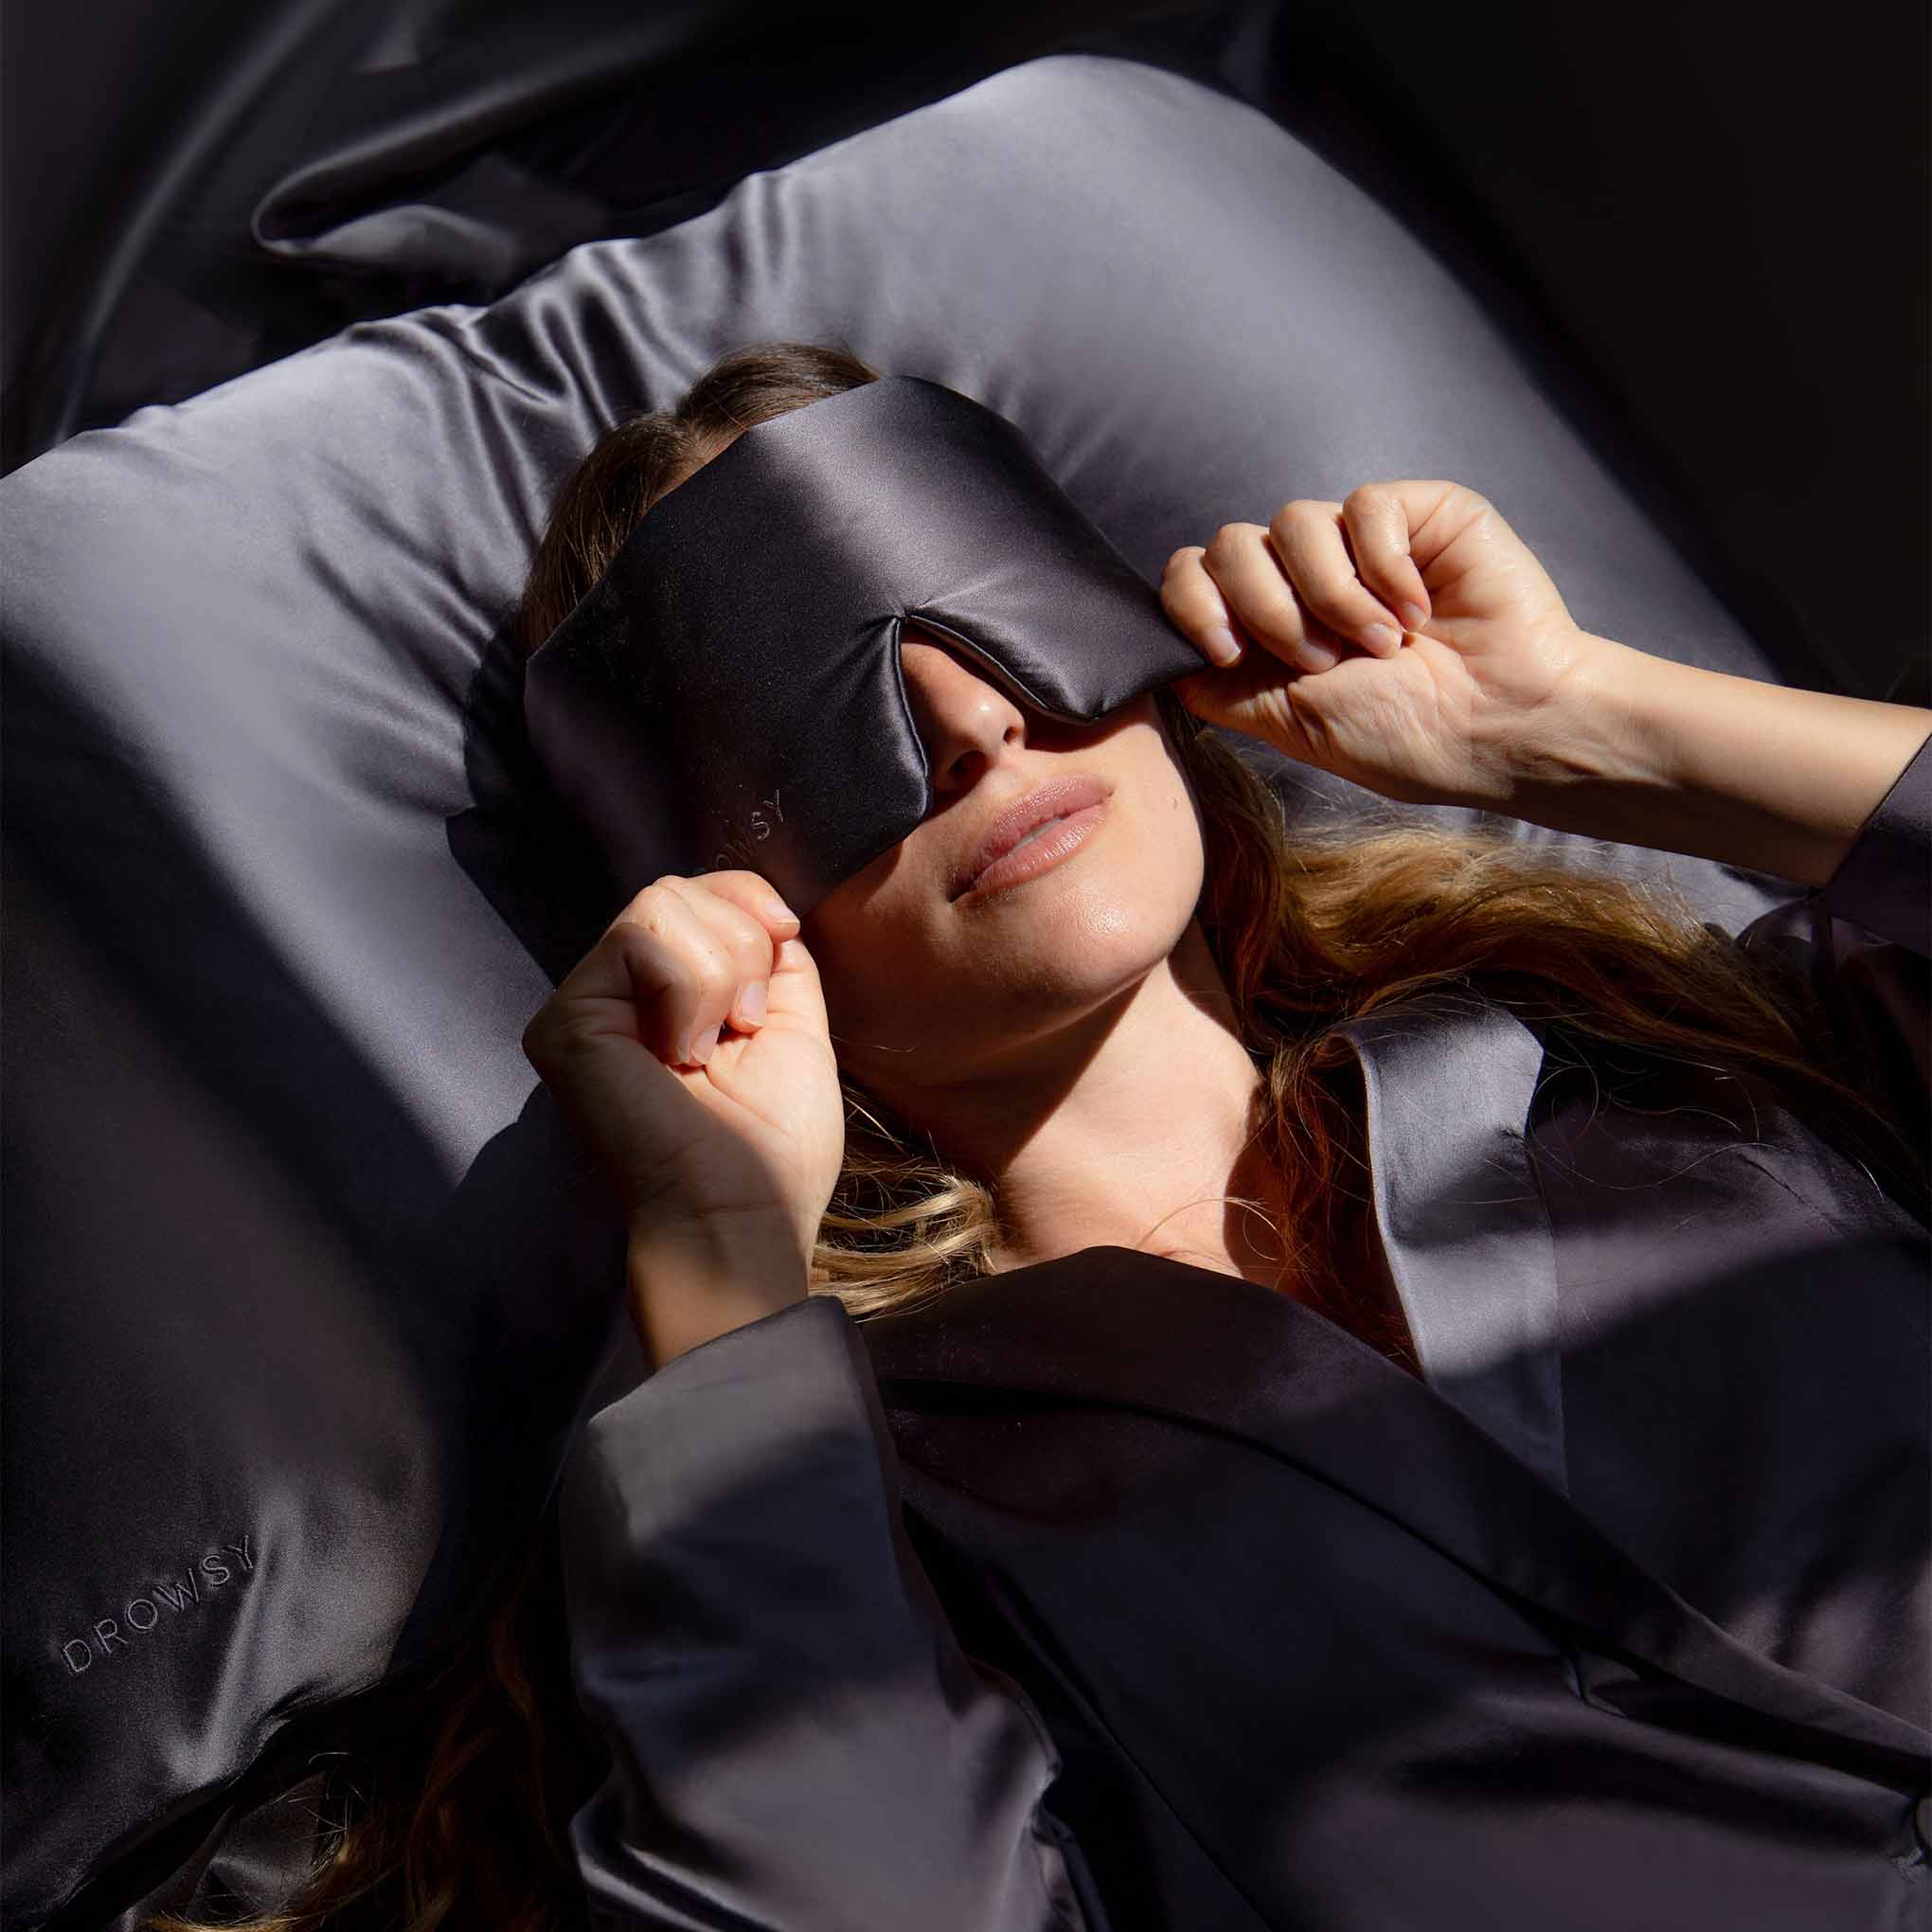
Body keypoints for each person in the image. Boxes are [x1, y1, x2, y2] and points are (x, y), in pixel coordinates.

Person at [148, 341, 1931, 1931]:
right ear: (698, 875)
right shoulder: (871, 1499)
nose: (972, 725)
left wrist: (1588, 731)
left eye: (988, 608)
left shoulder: (1675, 1045)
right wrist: (719, 1262)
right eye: (810, 706)